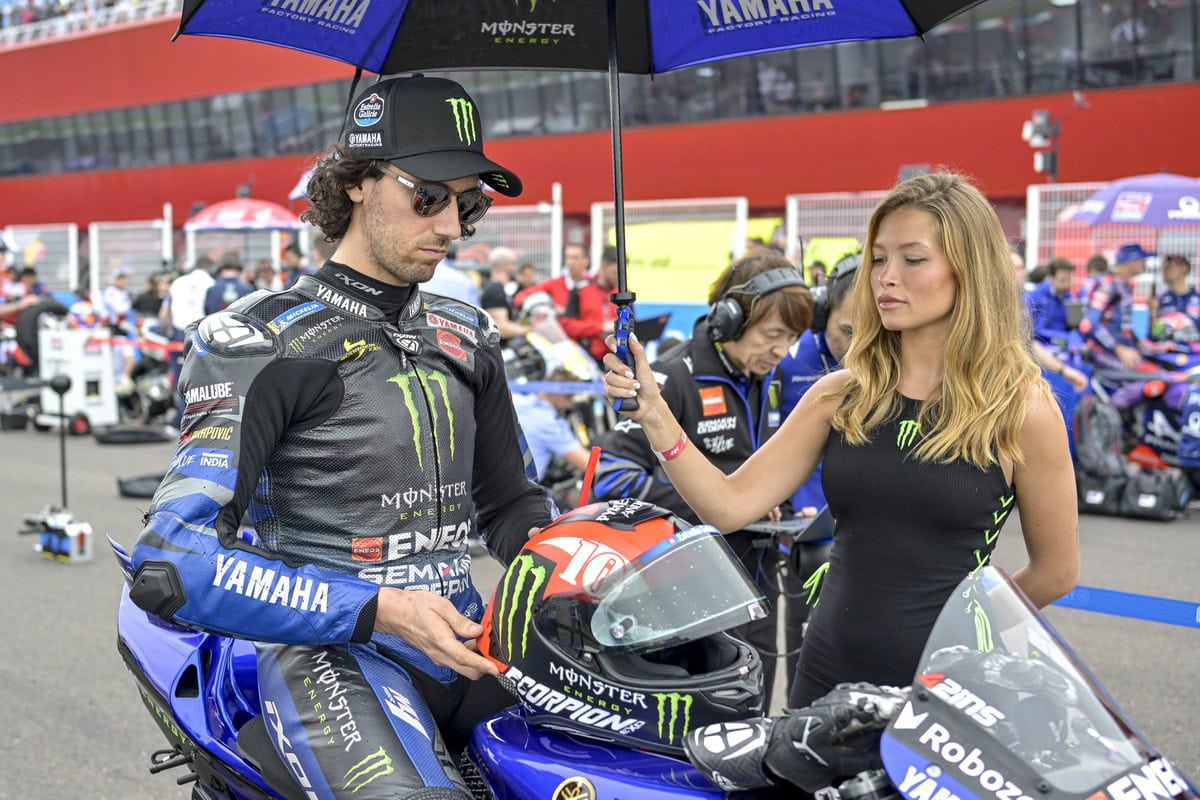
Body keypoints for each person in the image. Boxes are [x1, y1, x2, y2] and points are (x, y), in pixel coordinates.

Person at [129, 75, 554, 799]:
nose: (453, 227)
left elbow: (511, 506)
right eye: (429, 197)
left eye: (470, 202)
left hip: (470, 642)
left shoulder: (467, 333)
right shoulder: (258, 341)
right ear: (358, 181)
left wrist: (592, 562)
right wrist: (380, 607)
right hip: (333, 655)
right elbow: (170, 562)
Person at [603, 172, 1079, 709]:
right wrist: (655, 413)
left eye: (912, 259)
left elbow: (1057, 571)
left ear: (969, 271)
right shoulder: (842, 394)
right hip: (825, 675)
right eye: (878, 258)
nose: (884, 278)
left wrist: (972, 629)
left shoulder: (1020, 408)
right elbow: (729, 505)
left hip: (942, 690)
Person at [592, 251, 813, 709]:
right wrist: (717, 502)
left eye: (791, 338)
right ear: (730, 320)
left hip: (757, 584)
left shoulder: (766, 378)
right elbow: (610, 479)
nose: (781, 351)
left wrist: (782, 509)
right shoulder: (671, 378)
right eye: (773, 334)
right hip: (688, 597)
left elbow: (759, 467)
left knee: (755, 713)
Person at [773, 252, 858, 695]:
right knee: (805, 651)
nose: (855, 344)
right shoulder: (787, 363)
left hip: (861, 530)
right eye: (846, 330)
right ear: (822, 314)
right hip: (806, 532)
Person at [510, 368, 591, 481]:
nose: (569, 405)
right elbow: (590, 465)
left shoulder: (515, 400)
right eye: (570, 398)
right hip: (518, 491)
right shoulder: (551, 424)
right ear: (561, 395)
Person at [559, 244, 619, 363]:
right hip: (586, 358)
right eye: (615, 272)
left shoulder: (623, 294)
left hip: (616, 359)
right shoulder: (580, 289)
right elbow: (568, 325)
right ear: (603, 267)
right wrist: (600, 327)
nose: (618, 278)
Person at [514, 243, 589, 313]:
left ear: (586, 260)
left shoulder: (593, 284)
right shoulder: (554, 283)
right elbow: (520, 297)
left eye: (575, 258)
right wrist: (548, 307)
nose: (570, 262)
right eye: (567, 257)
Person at [479, 245, 526, 339]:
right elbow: (501, 328)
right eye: (514, 263)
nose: (515, 268)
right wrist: (531, 330)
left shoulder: (498, 289)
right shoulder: (494, 290)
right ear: (506, 265)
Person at [1155, 254, 1200, 325]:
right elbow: (1153, 332)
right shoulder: (1159, 298)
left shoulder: (1197, 297)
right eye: (1163, 268)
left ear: (1184, 268)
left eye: (1169, 267)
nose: (1164, 271)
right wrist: (1153, 312)